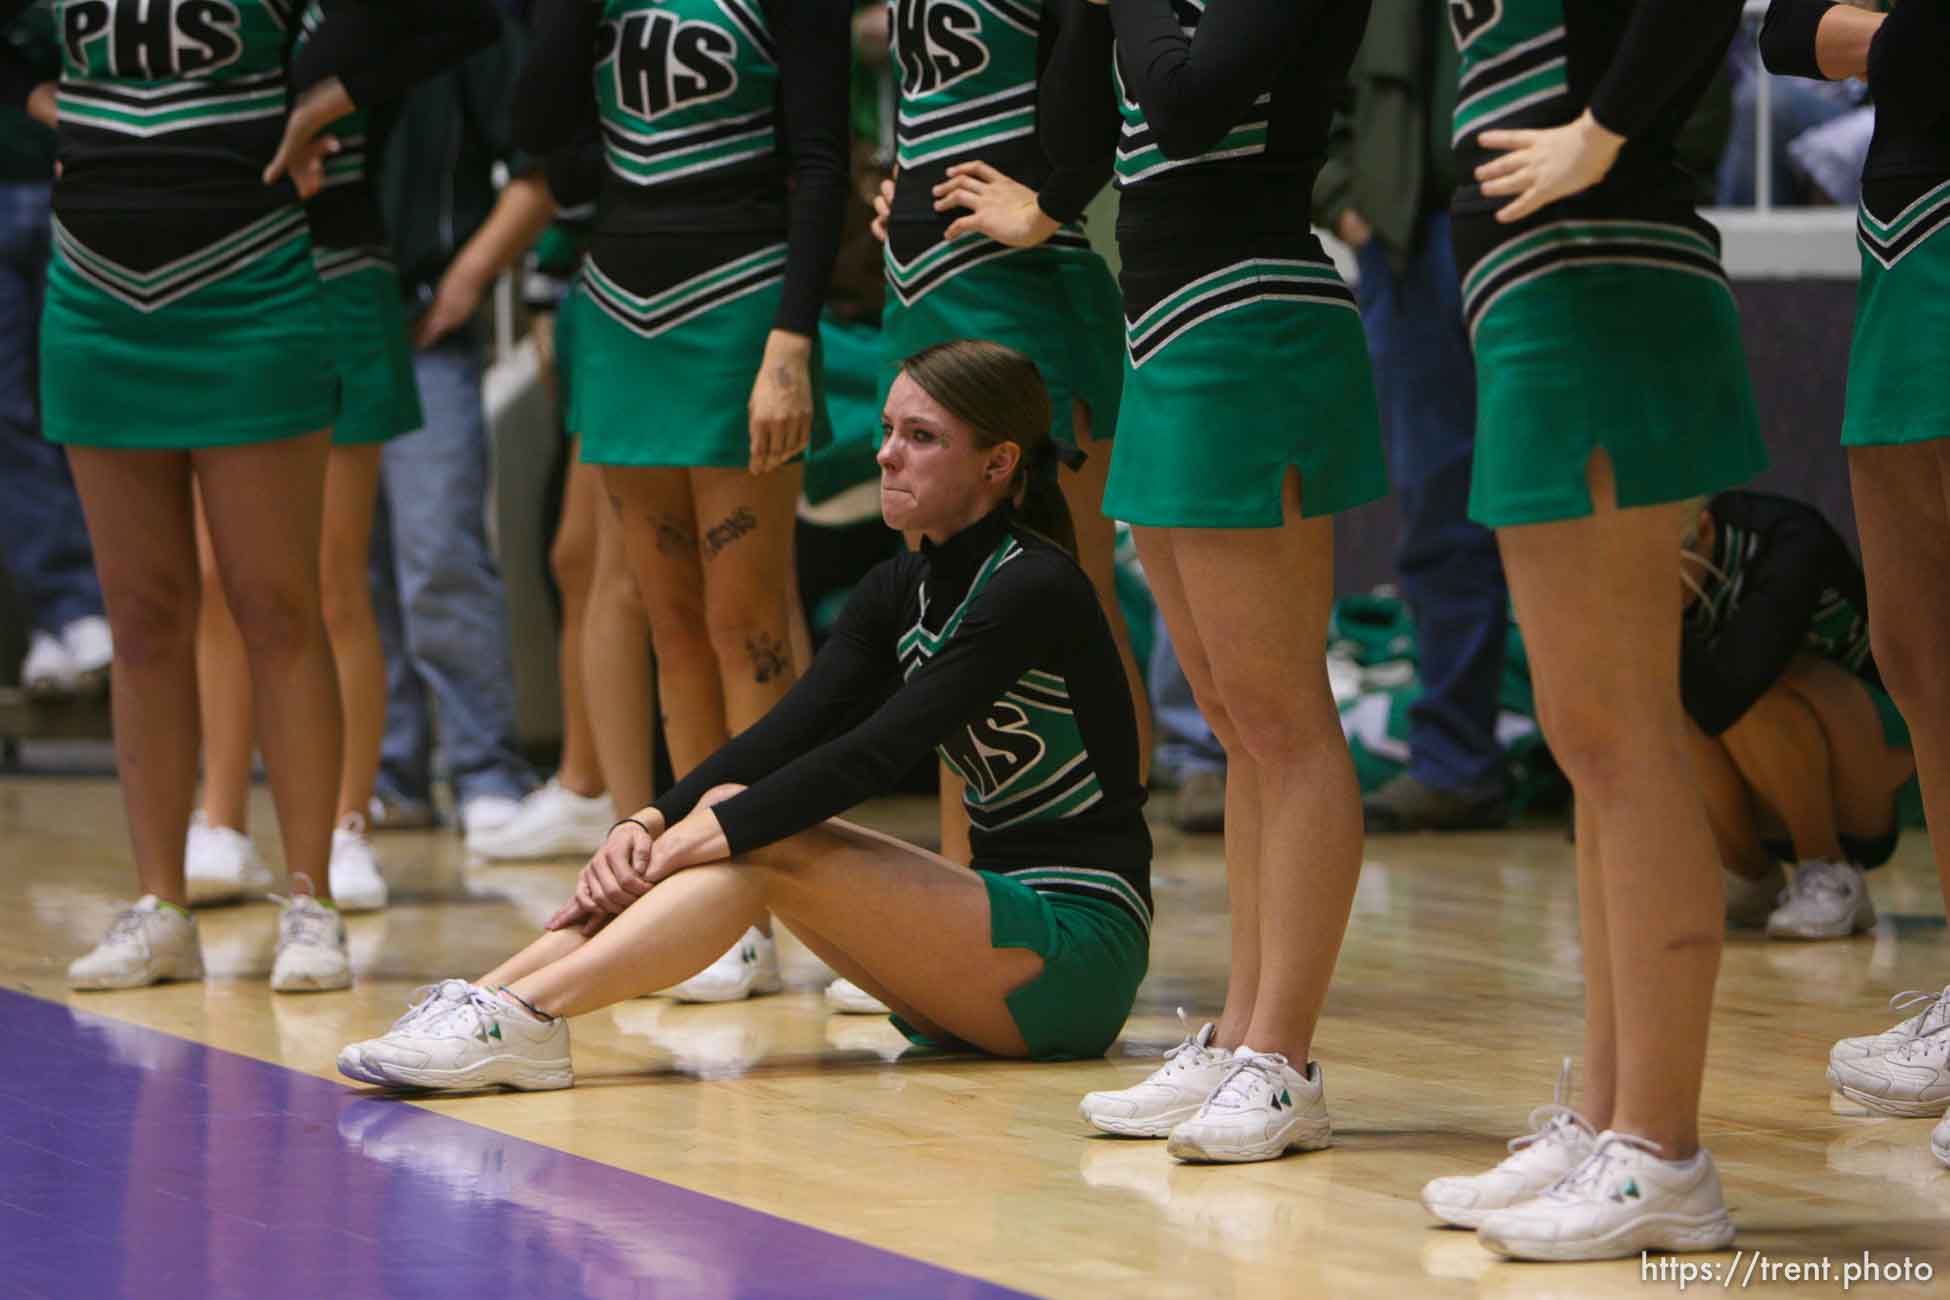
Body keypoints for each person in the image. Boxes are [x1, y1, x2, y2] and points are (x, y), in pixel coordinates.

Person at [336, 341, 1152, 1092]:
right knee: (734, 815)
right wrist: (651, 820)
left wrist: (695, 836)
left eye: (921, 437)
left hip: (1074, 953)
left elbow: (875, 752)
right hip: (983, 940)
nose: (884, 454)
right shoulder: (899, 588)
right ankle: (489, 999)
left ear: (998, 463)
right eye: (886, 429)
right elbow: (784, 734)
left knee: (752, 832)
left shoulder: (1035, 587)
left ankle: (528, 1018)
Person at [6, 0, 496, 993]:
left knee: (277, 602)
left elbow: (456, 19)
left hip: (252, 289)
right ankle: (162, 906)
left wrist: (324, 98)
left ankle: (311, 901)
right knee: (143, 617)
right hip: (97, 297)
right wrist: (57, 110)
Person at [1416, 0, 1768, 1260]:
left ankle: (1664, 1154)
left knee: (1623, 738)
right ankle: (1612, 1117)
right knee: (1588, 741)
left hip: (1605, 278)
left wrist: (1603, 130)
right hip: (1540, 291)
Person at [1077, 0, 1387, 1165]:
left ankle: (1285, 1059)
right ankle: (1242, 1032)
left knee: (1281, 714)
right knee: (1230, 712)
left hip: (1253, 317)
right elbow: (1083, 124)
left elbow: (1189, 100)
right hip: (1159, 326)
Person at [511, 0, 851, 999]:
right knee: (670, 623)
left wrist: (793, 337)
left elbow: (824, 162)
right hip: (620, 311)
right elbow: (536, 128)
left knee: (746, 618)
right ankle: (702, 899)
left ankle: (779, 882)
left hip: (744, 307)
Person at [184, 0, 499, 911]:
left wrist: (336, 100)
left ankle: (344, 821)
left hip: (339, 271)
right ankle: (221, 821)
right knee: (217, 579)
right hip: (221, 273)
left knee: (327, 580)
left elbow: (465, 23)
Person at [869, 0, 1152, 866]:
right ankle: (967, 886)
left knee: (1075, 603)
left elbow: (1107, 65)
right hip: (923, 291)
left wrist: (1057, 198)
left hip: (1031, 294)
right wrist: (902, 188)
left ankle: (1105, 883)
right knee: (949, 619)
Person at [1758, 0, 1950, 1169]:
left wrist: (1887, 41)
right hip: (1901, 243)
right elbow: (1783, 32)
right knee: (1920, 654)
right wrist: (1911, 41)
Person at [1312, 0, 1509, 832]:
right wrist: (1345, 200)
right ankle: (1456, 760)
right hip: (1411, 242)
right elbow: (1301, 81)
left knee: (1595, 510)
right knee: (1439, 506)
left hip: (1545, 227)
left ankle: (1618, 761)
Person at [368, 14, 547, 838]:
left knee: (439, 554)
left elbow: (537, 167)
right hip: (309, 321)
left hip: (422, 323)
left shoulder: (468, 27)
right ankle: (388, 774)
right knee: (343, 578)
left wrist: (468, 280)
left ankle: (485, 768)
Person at [1679, 490, 1916, 940]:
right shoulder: (1673, 562)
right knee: (1665, 705)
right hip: (1769, 768)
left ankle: (1828, 870)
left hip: (1880, 759)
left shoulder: (1787, 540)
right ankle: (1748, 875)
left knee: (1755, 687)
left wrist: (1655, 614)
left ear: (1705, 528)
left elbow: (1729, 692)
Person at [0, 4, 109, 698]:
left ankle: (81, 609)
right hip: (13, 173)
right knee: (10, 417)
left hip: (100, 180)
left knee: (91, 401)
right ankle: (68, 607)